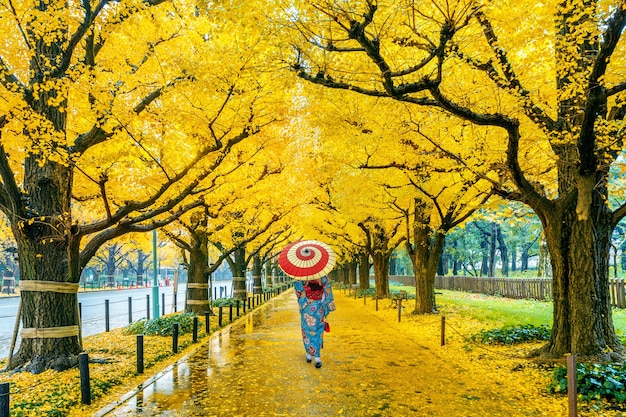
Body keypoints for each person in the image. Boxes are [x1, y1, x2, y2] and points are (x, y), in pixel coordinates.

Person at [293, 275, 335, 368]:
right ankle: (316, 356)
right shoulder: (323, 275)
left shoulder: (301, 276)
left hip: (308, 306)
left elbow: (298, 291)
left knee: (309, 331)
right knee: (316, 331)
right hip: (317, 306)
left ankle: (312, 354)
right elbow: (328, 289)